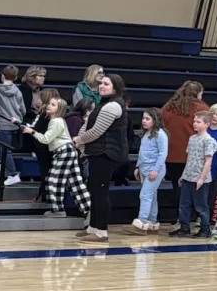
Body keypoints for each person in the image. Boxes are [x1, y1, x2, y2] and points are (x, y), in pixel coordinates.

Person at [71, 74, 128, 244]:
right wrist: (81, 144)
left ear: (115, 87)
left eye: (106, 84)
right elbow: (87, 126)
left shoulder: (113, 106)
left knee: (101, 193)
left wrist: (79, 141)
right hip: (97, 152)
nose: (101, 86)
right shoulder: (103, 103)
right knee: (95, 191)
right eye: (101, 83)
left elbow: (97, 131)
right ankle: (92, 228)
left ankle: (101, 231)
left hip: (107, 154)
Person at [171, 111, 217, 238]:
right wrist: (183, 175)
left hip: (200, 178)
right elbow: (190, 159)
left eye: (198, 122)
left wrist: (201, 178)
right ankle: (184, 227)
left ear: (207, 124)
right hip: (188, 176)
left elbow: (208, 161)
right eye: (194, 121)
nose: (195, 124)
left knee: (201, 205)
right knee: (184, 204)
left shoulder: (208, 140)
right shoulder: (192, 138)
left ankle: (205, 229)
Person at [127, 107, 168, 233]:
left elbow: (163, 153)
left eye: (147, 119)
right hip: (144, 168)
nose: (144, 121)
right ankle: (152, 221)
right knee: (152, 195)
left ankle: (142, 221)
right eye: (143, 118)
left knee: (145, 195)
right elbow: (142, 152)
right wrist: (138, 166)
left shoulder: (161, 135)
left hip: (155, 169)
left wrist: (155, 169)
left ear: (155, 120)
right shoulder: (146, 134)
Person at [0, 65, 25, 185]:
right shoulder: (18, 91)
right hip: (16, 122)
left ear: (2, 76)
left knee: (6, 149)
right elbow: (23, 109)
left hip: (4, 123)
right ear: (16, 77)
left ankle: (13, 174)